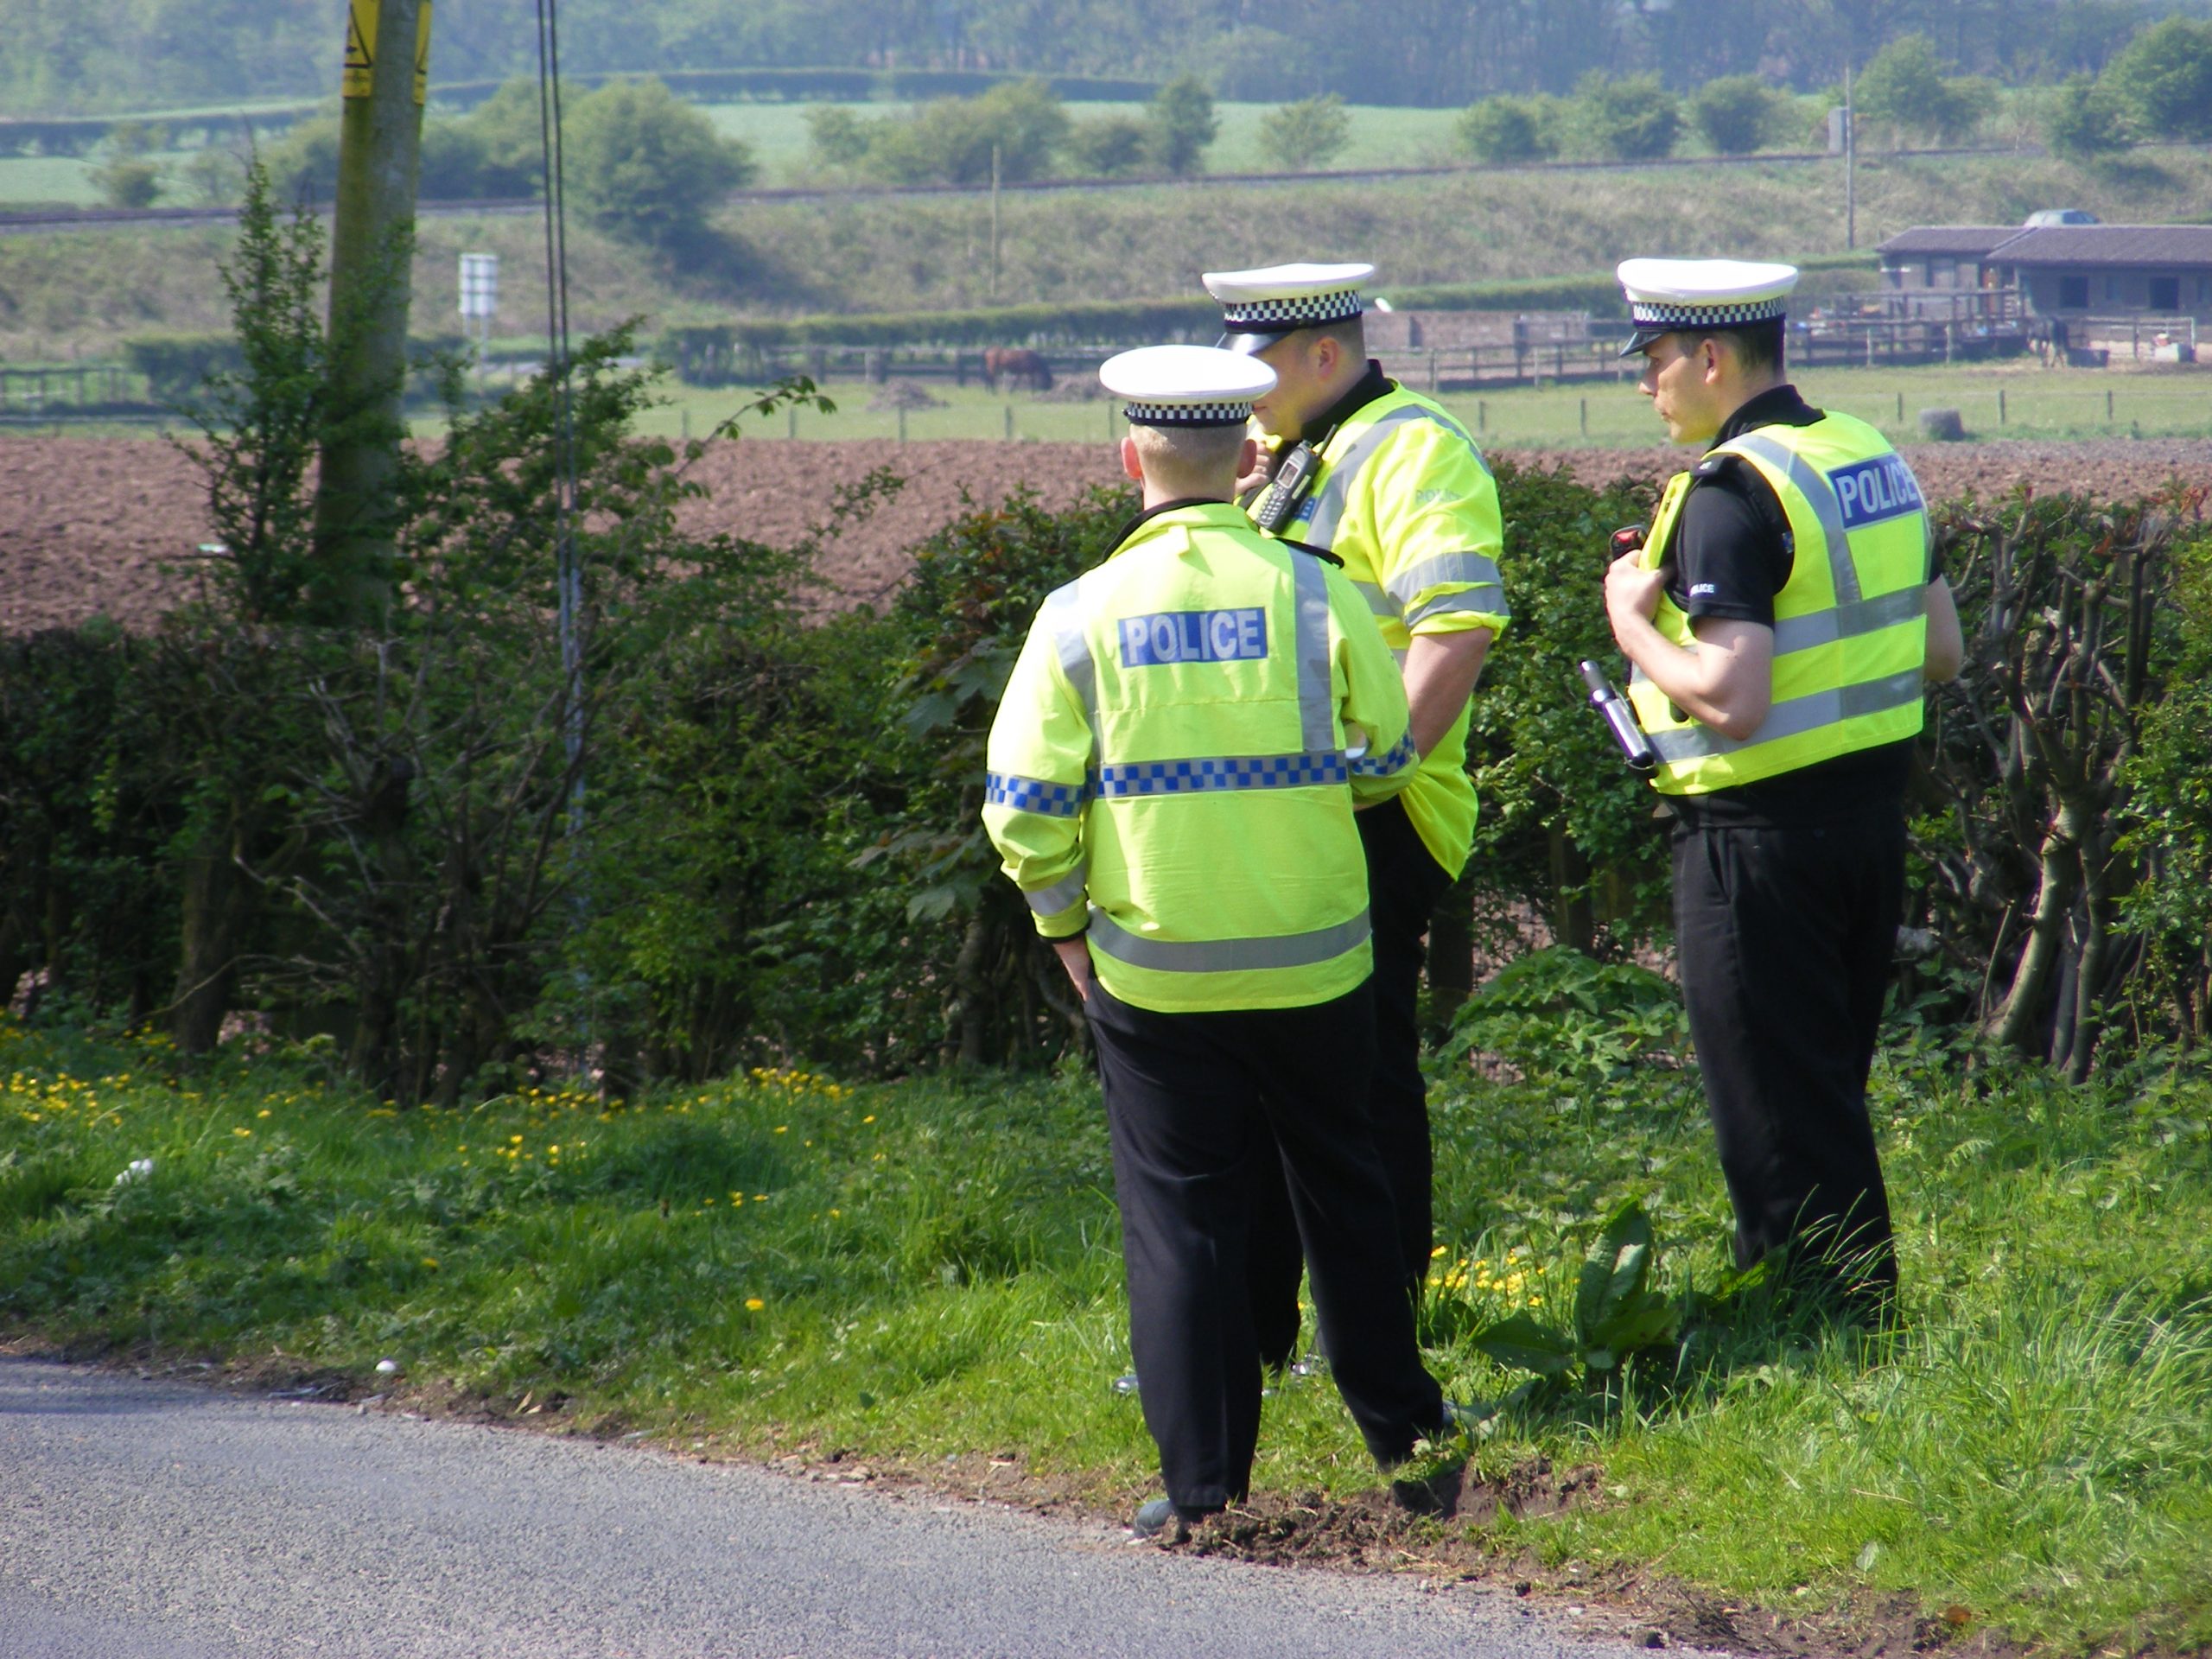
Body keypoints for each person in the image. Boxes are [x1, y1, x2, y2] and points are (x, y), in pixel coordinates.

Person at [982, 344, 1454, 1541]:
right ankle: (1409, 1440)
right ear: (1249, 461)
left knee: (1184, 1214)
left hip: (1154, 974)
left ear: (1130, 458)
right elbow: (1392, 750)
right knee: (1343, 1189)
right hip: (1319, 961)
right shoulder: (1319, 591)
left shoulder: (1076, 615)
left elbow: (1024, 808)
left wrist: (1064, 932)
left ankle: (1203, 1491)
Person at [1601, 258, 1965, 1317]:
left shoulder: (1729, 493)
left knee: (1772, 1107)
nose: (1647, 383)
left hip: (1751, 842)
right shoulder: (1867, 456)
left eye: (1656, 360)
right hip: (1864, 825)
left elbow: (1733, 695)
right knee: (1821, 1096)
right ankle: (1847, 1315)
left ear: (1710, 358)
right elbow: (1939, 652)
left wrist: (1629, 622)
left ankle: (1817, 1331)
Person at [1199, 261, 1510, 1363]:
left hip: (1374, 814)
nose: (1242, 391)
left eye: (1259, 368)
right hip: (1300, 814)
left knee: (1358, 1081)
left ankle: (1370, 1331)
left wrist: (1379, 774)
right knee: (1275, 1079)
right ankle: (1271, 1331)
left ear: (1325, 355)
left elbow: (1457, 624)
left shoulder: (1412, 446)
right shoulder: (1297, 449)